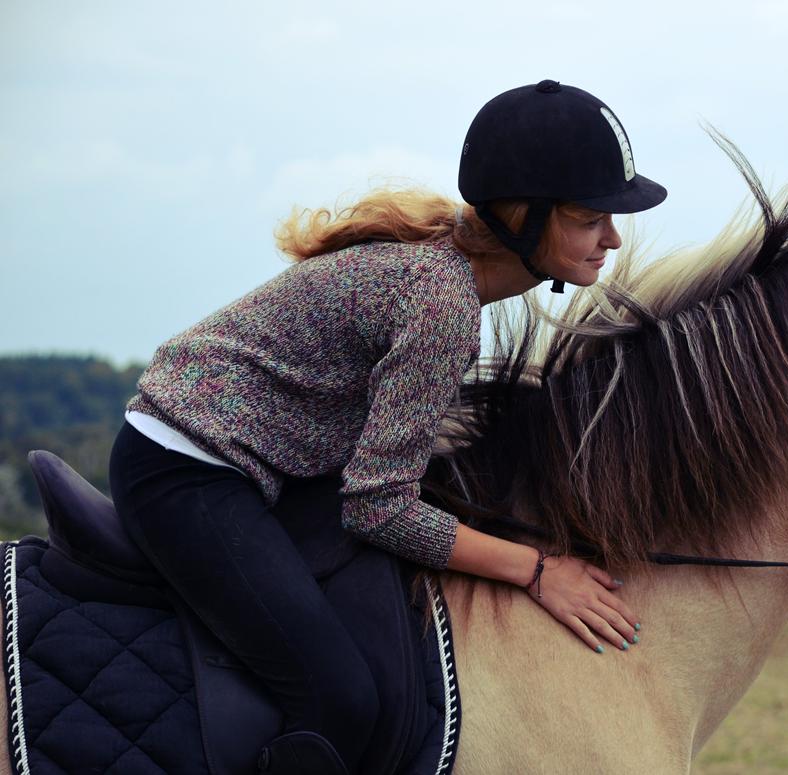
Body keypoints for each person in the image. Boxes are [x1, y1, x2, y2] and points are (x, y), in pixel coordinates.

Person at [107, 80, 667, 775]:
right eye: (590, 217)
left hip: (261, 462)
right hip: (184, 469)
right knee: (338, 695)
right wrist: (537, 569)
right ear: (526, 216)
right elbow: (379, 508)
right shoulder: (441, 305)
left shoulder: (445, 270)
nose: (612, 237)